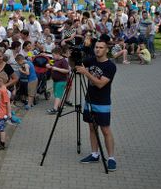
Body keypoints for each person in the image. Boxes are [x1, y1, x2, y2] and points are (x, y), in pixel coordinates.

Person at [76, 35, 118, 171]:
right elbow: (77, 65)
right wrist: (72, 56)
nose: (97, 50)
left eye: (101, 48)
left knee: (105, 130)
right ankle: (95, 154)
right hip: (89, 99)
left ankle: (111, 158)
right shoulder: (92, 60)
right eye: (96, 47)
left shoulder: (110, 66)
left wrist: (86, 73)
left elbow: (100, 84)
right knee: (92, 128)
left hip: (102, 102)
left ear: (106, 50)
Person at [46, 47, 70, 114]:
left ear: (58, 54)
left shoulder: (64, 61)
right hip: (55, 80)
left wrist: (57, 69)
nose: (52, 57)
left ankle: (55, 109)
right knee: (56, 94)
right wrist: (48, 65)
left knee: (58, 94)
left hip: (62, 80)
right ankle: (59, 107)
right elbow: (50, 65)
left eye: (53, 55)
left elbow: (67, 70)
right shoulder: (54, 60)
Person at [0, 73, 12, 149]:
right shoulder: (0, 90)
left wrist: (9, 113)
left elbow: (8, 103)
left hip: (3, 114)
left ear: (1, 80)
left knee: (1, 128)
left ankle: (2, 144)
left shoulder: (4, 91)